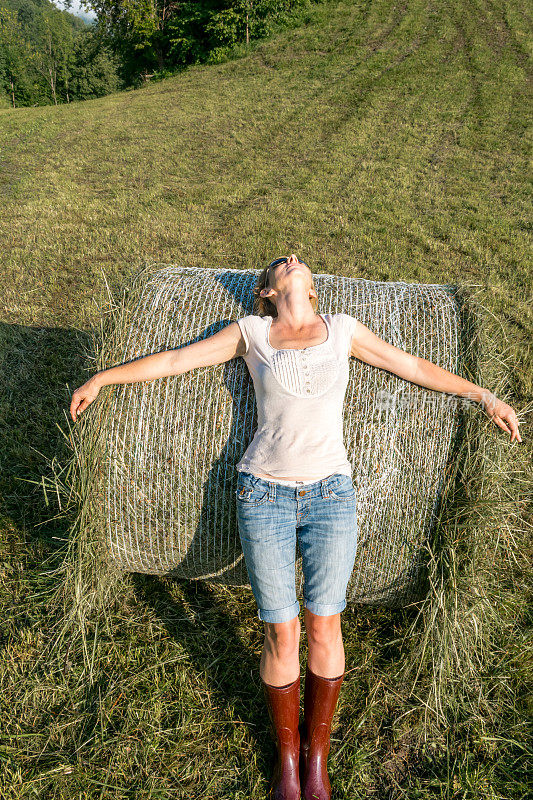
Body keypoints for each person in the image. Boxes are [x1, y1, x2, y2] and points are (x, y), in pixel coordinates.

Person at [70, 254, 521, 800]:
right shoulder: (252, 332)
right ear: (266, 291)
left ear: (310, 288)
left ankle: (317, 757)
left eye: (298, 260)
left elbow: (416, 368)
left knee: (325, 624)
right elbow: (172, 361)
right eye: (282, 264)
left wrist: (484, 395)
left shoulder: (343, 331)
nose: (293, 259)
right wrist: (103, 377)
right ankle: (287, 757)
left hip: (332, 496)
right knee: (281, 632)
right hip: (263, 496)